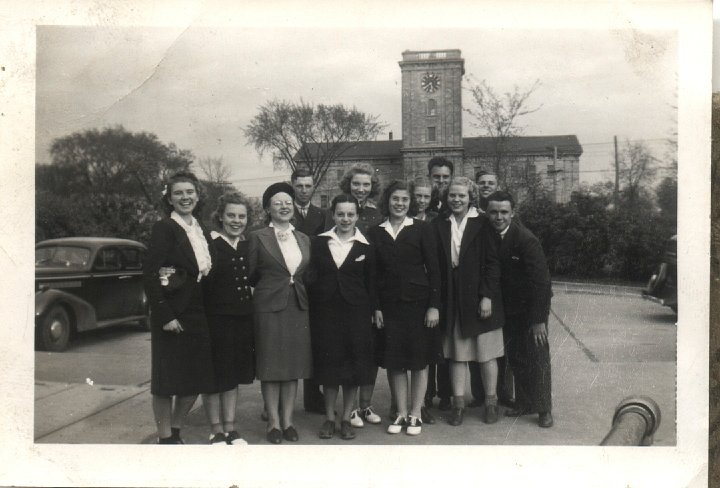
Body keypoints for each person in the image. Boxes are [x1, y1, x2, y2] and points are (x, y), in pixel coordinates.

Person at [143, 171, 215, 444]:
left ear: (197, 195)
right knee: (166, 383)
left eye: (189, 192)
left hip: (198, 312)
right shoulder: (165, 228)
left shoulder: (201, 228)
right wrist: (165, 315)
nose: (185, 198)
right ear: (169, 199)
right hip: (172, 314)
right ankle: (165, 439)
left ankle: (175, 429)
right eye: (179, 193)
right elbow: (150, 273)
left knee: (195, 379)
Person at [368, 180, 442, 436]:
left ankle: (416, 414)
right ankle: (400, 413)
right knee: (395, 362)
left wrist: (434, 306)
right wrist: (376, 307)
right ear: (387, 201)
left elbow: (434, 270)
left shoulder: (422, 229)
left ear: (411, 203)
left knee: (419, 362)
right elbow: (373, 275)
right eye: (395, 199)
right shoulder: (376, 232)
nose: (399, 204)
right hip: (389, 307)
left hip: (419, 305)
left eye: (404, 200)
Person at [434, 176, 504, 426]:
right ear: (446, 197)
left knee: (486, 354)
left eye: (461, 195)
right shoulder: (440, 223)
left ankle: (491, 402)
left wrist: (486, 296)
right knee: (458, 354)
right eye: (452, 195)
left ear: (470, 197)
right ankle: (458, 404)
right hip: (453, 297)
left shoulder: (483, 222)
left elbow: (493, 263)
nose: (456, 199)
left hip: (479, 294)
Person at [308, 194, 377, 441]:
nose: (345, 219)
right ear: (333, 215)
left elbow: (372, 282)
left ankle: (346, 418)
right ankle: (329, 418)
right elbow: (311, 277)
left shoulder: (366, 245)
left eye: (350, 214)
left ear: (357, 216)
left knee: (352, 369)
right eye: (340, 214)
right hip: (326, 314)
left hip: (356, 314)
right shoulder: (319, 242)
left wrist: (374, 310)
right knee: (329, 368)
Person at [248, 182, 313, 444]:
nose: (284, 206)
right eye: (278, 203)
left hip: (297, 306)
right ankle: (273, 422)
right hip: (268, 307)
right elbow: (252, 274)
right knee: (271, 365)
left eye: (288, 202)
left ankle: (288, 421)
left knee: (292, 366)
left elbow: (303, 273)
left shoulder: (303, 238)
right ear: (267, 208)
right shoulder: (257, 236)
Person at [486, 191, 554, 428]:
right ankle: (525, 403)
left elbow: (542, 283)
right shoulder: (489, 236)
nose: (498, 217)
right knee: (517, 359)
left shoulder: (525, 239)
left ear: (512, 213)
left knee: (537, 359)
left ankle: (544, 409)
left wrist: (538, 320)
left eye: (504, 212)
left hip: (530, 312)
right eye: (493, 212)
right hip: (507, 312)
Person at [201, 192, 255, 445]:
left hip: (242, 320)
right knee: (213, 376)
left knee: (232, 374)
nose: (236, 220)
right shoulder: (210, 244)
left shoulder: (246, 245)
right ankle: (216, 430)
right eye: (231, 215)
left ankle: (231, 428)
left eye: (241, 216)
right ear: (220, 217)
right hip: (216, 320)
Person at [336, 163, 384, 428]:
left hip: (371, 288)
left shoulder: (377, 215)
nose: (361, 189)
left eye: (366, 184)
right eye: (356, 184)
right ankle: (349, 409)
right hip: (346, 292)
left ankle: (365, 405)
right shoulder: (339, 209)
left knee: (370, 350)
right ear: (348, 185)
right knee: (347, 351)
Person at [290, 167, 327, 415]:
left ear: (314, 187)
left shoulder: (322, 214)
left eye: (308, 186)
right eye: (299, 186)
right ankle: (279, 404)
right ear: (293, 186)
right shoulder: (283, 209)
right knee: (287, 343)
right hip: (289, 284)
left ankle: (313, 397)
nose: (304, 190)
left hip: (314, 284)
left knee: (313, 341)